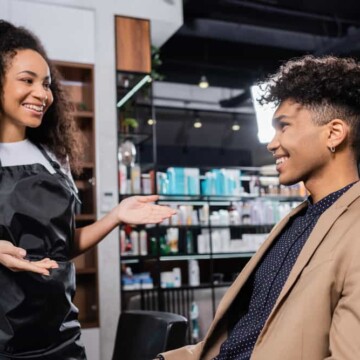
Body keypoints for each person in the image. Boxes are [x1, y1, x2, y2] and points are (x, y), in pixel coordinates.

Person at [157, 55, 360, 360]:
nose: (271, 143)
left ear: (333, 133)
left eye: (284, 127)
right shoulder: (296, 220)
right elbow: (243, 334)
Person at [0, 20, 176, 360]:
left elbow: (62, 248)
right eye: (27, 80)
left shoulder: (52, 158)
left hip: (60, 335)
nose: (42, 93)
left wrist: (115, 217)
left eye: (47, 84)